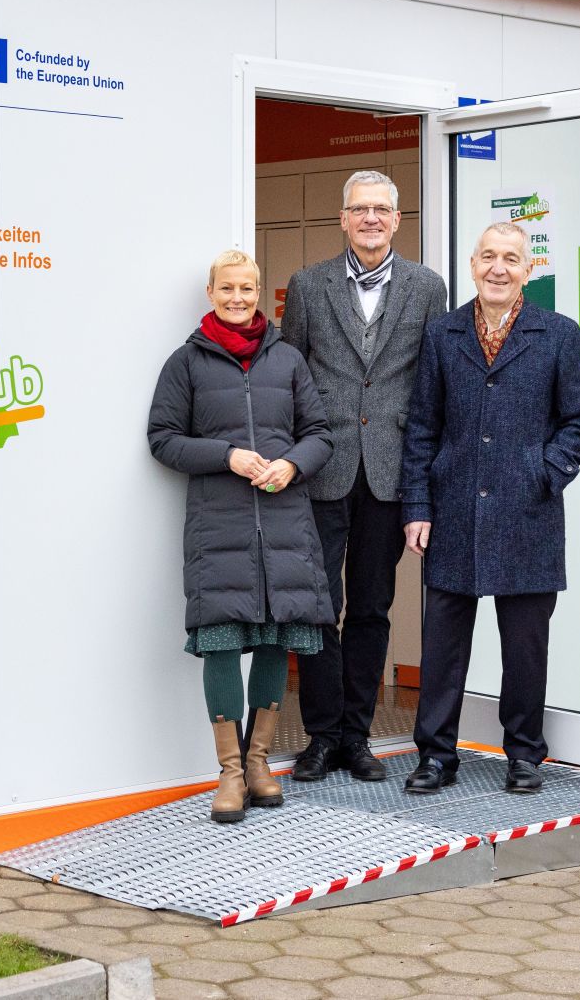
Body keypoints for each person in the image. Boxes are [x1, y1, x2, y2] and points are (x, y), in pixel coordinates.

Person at [397, 221, 580, 795]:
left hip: (527, 515)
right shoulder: (442, 334)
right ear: (472, 264)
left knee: (525, 647)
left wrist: (544, 471)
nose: (499, 268)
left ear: (528, 270)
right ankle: (436, 755)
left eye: (511, 258)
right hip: (453, 511)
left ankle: (524, 754)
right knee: (442, 647)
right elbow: (421, 428)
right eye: (489, 256)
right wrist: (417, 506)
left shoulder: (558, 334)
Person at [148, 249, 335, 823]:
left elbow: (320, 433)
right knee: (223, 642)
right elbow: (163, 438)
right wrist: (226, 455)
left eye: (248, 289)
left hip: (285, 526)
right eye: (227, 288)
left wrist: (295, 465)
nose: (238, 298)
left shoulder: (288, 360)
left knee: (278, 640)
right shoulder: (186, 363)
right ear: (211, 293)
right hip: (219, 528)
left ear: (261, 292)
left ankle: (259, 763)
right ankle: (229, 774)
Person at [280, 170, 447, 784]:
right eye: (360, 209)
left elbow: (431, 386)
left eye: (382, 209)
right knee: (321, 605)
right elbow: (290, 376)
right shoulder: (308, 285)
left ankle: (358, 737)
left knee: (373, 608)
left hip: (389, 473)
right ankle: (321, 737)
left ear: (397, 221)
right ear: (343, 219)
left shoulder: (429, 288)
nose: (371, 219)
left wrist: (426, 481)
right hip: (322, 470)